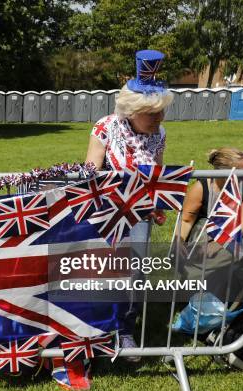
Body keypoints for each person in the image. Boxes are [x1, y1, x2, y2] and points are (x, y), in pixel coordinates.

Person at [85, 50, 174, 360]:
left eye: (162, 112)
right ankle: (95, 329)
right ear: (132, 110)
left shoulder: (159, 133)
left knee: (134, 273)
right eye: (153, 113)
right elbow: (90, 173)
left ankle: (125, 331)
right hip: (106, 213)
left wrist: (158, 203)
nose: (160, 119)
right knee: (99, 272)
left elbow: (158, 172)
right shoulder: (104, 127)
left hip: (140, 217)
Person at [180, 148, 243, 243]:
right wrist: (178, 244)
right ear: (225, 173)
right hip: (205, 233)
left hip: (237, 233)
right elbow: (186, 221)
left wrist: (219, 245)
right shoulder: (201, 187)